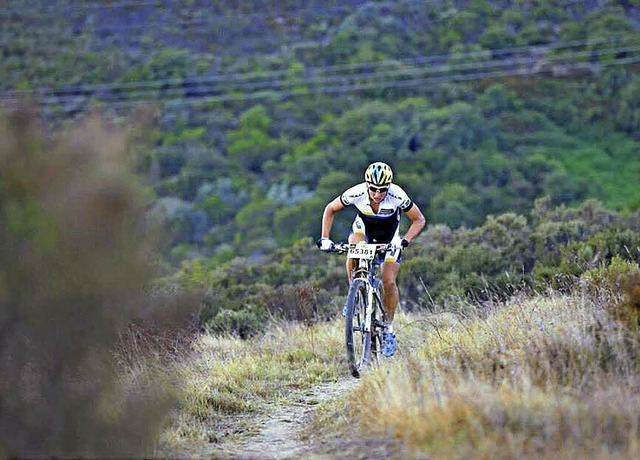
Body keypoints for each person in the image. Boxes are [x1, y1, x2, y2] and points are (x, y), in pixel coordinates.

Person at [317, 161, 426, 357]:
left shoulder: (397, 195)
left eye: (382, 189)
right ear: (367, 185)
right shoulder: (356, 192)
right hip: (364, 231)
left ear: (389, 187)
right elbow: (330, 209)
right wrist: (325, 238)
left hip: (390, 238)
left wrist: (405, 241)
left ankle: (389, 329)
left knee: (389, 281)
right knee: (354, 249)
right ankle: (354, 294)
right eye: (373, 189)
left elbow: (419, 219)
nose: (377, 194)